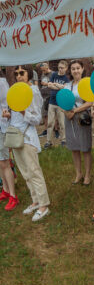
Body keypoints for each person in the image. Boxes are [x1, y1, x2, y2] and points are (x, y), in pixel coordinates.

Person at [2, 65, 50, 220]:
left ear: (29, 74)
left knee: (34, 171)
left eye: (21, 73)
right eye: (16, 73)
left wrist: (24, 112)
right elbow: (16, 116)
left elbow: (37, 119)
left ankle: (43, 205)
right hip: (15, 136)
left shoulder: (33, 91)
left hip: (27, 137)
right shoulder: (16, 90)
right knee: (25, 172)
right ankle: (35, 200)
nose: (18, 76)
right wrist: (9, 115)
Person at [62, 60, 93, 186]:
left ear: (82, 69)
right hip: (69, 118)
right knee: (74, 148)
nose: (75, 71)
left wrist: (74, 111)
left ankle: (87, 174)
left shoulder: (86, 83)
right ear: (70, 70)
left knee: (85, 147)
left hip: (82, 117)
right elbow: (63, 101)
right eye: (73, 68)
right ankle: (78, 173)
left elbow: (90, 102)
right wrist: (66, 112)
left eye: (78, 68)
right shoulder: (67, 85)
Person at [44, 60, 69, 149]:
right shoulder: (54, 74)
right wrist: (58, 86)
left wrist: (56, 84)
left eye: (62, 68)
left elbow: (65, 88)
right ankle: (48, 141)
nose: (60, 69)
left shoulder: (66, 78)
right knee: (50, 123)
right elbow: (49, 85)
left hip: (61, 103)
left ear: (66, 68)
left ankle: (64, 140)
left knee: (62, 123)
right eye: (59, 67)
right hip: (52, 102)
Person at [0, 72, 16, 210]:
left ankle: (13, 195)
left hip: (2, 127)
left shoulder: (2, 82)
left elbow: (5, 104)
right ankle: (5, 190)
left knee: (5, 162)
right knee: (0, 162)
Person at [38, 62, 53, 137]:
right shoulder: (43, 74)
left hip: (50, 96)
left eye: (44, 70)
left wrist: (46, 84)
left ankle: (55, 130)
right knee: (44, 114)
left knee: (52, 114)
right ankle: (46, 130)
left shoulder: (52, 74)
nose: (43, 72)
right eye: (42, 71)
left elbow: (55, 84)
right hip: (43, 96)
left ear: (47, 68)